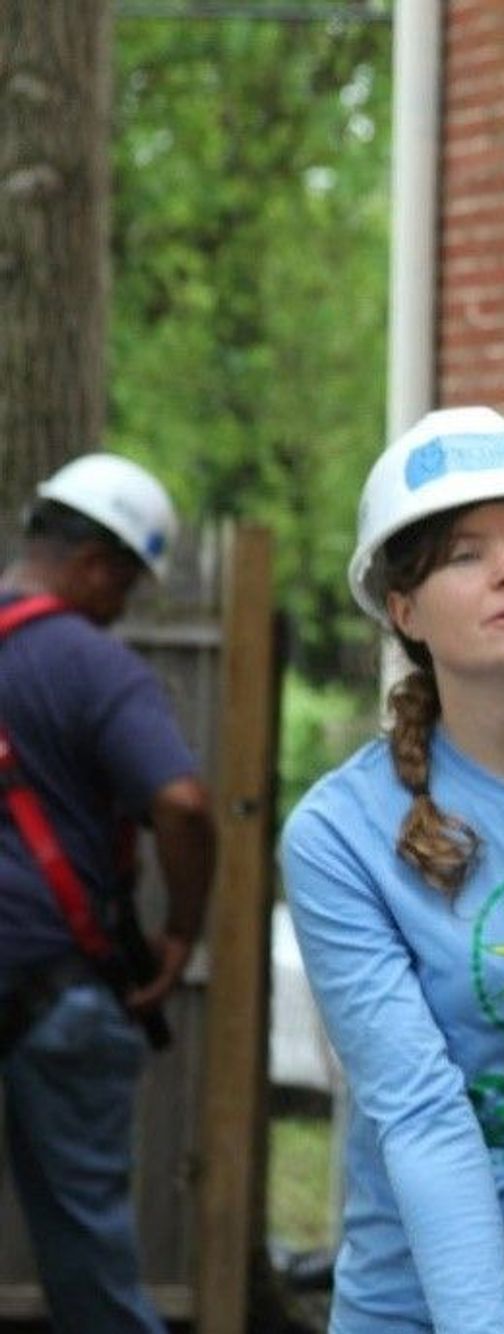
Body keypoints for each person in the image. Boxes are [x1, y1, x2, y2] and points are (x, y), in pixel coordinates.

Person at [281, 407, 504, 1332]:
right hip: (429, 1312)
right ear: (403, 610)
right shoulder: (342, 834)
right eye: (465, 554)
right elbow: (423, 1118)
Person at [0, 452, 214, 1333]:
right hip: (55, 996)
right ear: (95, 565)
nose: (121, 607)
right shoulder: (93, 666)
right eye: (124, 585)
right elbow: (184, 802)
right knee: (89, 1259)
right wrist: (179, 934)